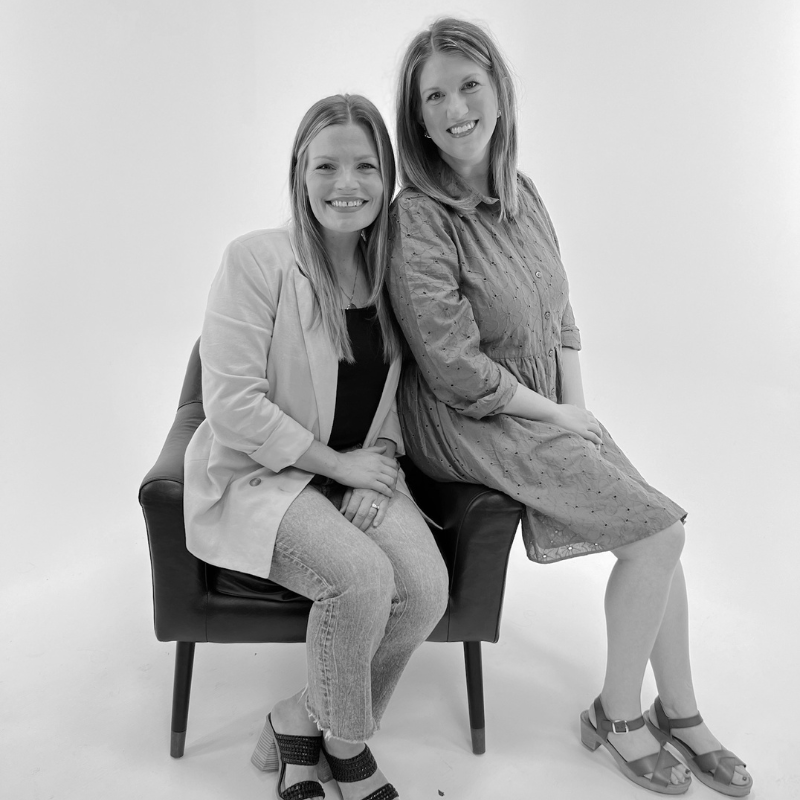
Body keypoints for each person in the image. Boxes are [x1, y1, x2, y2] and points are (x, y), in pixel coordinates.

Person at [388, 17, 751, 797]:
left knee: (660, 528)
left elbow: (561, 318)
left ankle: (680, 712)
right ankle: (617, 716)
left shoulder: (523, 193)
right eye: (434, 96)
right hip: (465, 419)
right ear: (417, 118)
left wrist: (577, 414)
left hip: (544, 404)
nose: (455, 107)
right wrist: (556, 420)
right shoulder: (418, 217)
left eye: (468, 85)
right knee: (657, 536)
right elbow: (453, 369)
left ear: (499, 91)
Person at [184, 94, 448, 800]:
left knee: (425, 591)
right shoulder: (256, 259)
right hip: (264, 475)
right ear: (299, 171)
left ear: (387, 177)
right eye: (326, 165)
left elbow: (396, 393)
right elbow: (232, 404)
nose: (345, 184)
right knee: (360, 578)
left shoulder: (391, 272)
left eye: (365, 166)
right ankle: (347, 750)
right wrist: (339, 467)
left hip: (362, 466)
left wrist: (378, 461)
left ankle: (300, 718)